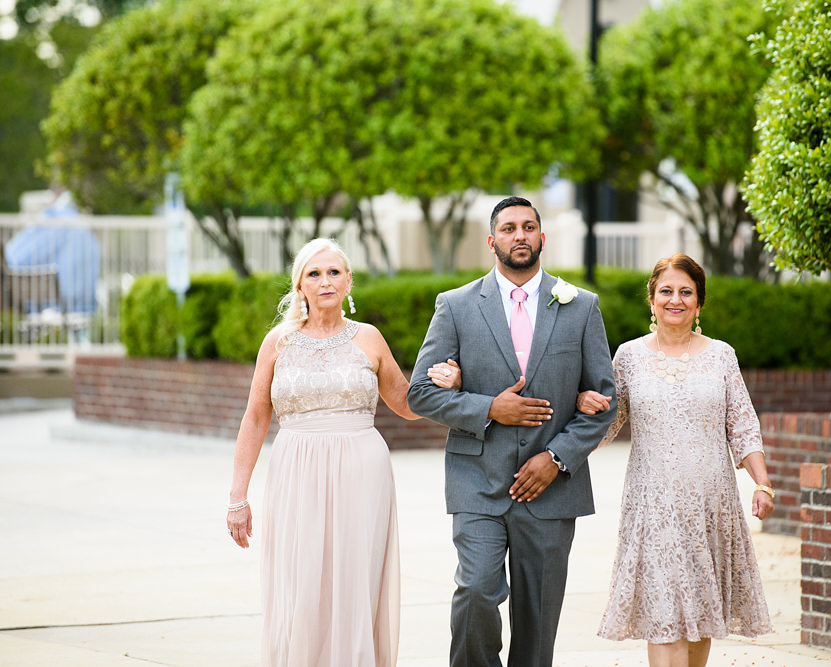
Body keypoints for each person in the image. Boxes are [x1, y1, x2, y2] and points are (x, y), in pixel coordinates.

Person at [225, 238, 460, 667]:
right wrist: (237, 498)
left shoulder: (369, 338)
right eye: (314, 274)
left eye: (334, 272)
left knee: (355, 579)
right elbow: (256, 419)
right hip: (294, 472)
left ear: (349, 281)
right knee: (300, 583)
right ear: (299, 286)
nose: (325, 281)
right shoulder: (277, 343)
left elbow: (405, 404)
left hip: (361, 472)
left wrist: (443, 384)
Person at [406, 196, 618, 667]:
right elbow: (419, 393)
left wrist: (557, 458)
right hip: (477, 482)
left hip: (550, 489)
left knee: (538, 616)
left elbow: (604, 399)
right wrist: (490, 408)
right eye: (508, 228)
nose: (519, 235)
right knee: (477, 590)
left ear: (542, 238)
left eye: (528, 227)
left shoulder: (581, 307)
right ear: (491, 241)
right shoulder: (456, 306)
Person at [577, 253, 774, 667]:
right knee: (666, 614)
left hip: (711, 507)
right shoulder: (628, 357)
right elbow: (606, 427)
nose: (676, 299)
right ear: (651, 299)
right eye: (666, 291)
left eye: (686, 292)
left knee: (701, 617)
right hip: (654, 508)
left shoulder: (721, 355)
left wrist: (762, 483)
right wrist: (582, 409)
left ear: (699, 303)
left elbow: (743, 426)